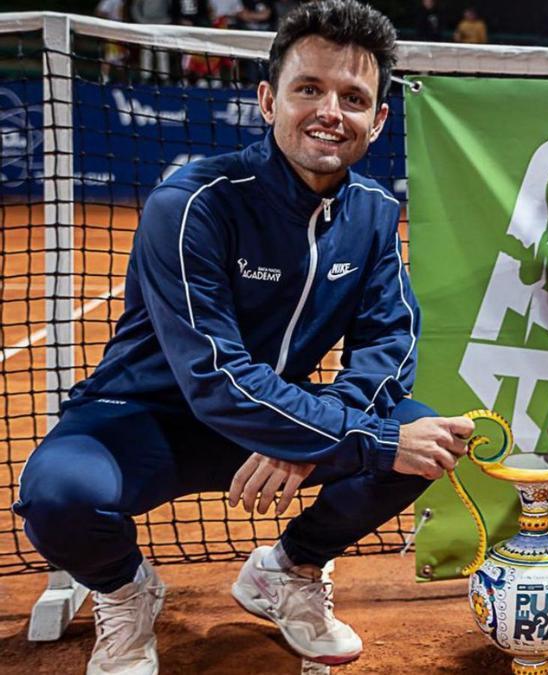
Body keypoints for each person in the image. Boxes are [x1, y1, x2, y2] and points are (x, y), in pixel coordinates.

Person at [14, 1, 474, 673]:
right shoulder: (192, 204)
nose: (329, 111)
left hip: (273, 417)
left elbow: (389, 344)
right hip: (142, 421)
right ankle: (123, 590)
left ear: (377, 120)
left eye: (353, 97)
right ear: (267, 100)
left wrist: (311, 435)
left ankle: (289, 567)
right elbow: (214, 375)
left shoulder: (374, 215)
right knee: (57, 495)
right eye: (308, 89)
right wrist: (349, 435)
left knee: (422, 436)